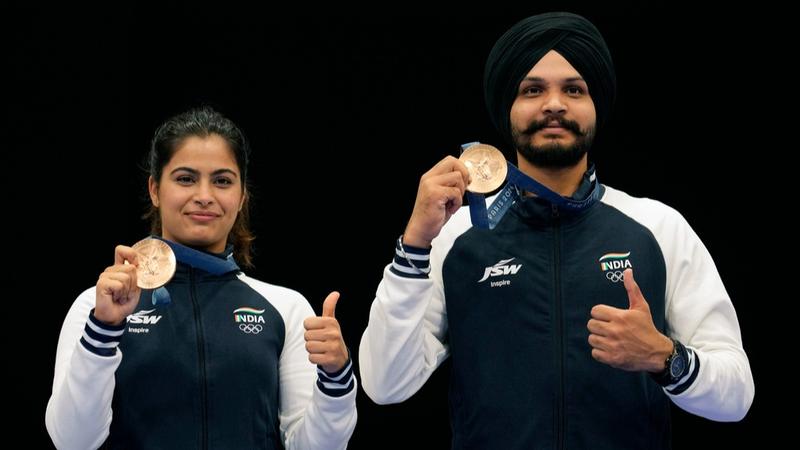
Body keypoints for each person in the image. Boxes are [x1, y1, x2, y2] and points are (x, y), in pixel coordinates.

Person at [359, 12, 753, 449]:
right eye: (532, 90)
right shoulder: (454, 238)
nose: (554, 104)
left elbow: (736, 396)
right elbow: (384, 384)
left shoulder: (659, 227)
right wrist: (414, 244)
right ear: (506, 109)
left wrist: (666, 357)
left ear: (595, 106)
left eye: (574, 89)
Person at [46, 106, 357, 449]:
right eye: (185, 178)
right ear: (154, 189)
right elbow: (72, 442)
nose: (205, 196)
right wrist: (104, 331)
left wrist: (336, 378)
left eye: (222, 181)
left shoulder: (287, 308)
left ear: (241, 197)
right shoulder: (97, 307)